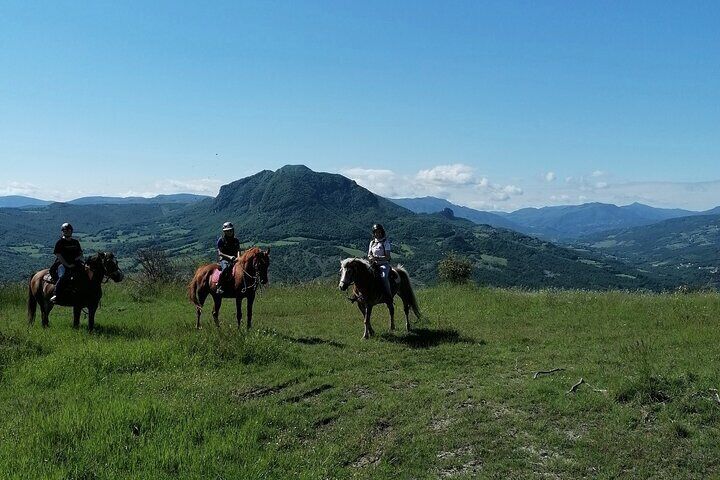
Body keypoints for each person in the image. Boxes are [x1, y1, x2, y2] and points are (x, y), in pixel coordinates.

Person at [50, 222, 84, 304]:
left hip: (76, 263)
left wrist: (78, 259)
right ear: (62, 232)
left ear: (71, 231)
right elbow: (59, 256)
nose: (67, 232)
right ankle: (56, 294)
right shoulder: (60, 243)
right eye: (65, 230)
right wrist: (67, 265)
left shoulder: (75, 242)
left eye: (69, 230)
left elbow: (80, 253)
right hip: (62, 264)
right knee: (63, 276)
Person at [368, 223, 392, 302]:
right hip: (373, 264)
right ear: (374, 233)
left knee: (384, 277)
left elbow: (388, 256)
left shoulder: (385, 242)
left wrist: (377, 258)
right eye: (376, 232)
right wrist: (371, 258)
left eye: (379, 232)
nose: (378, 233)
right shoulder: (372, 243)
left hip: (383, 264)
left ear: (382, 232)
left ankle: (388, 295)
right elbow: (369, 254)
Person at [216, 221, 240, 295]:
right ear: (224, 232)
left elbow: (238, 250)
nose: (230, 232)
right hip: (224, 260)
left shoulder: (236, 240)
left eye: (231, 230)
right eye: (227, 231)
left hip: (235, 259)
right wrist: (229, 257)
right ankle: (219, 285)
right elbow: (220, 253)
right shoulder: (221, 240)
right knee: (226, 268)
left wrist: (239, 257)